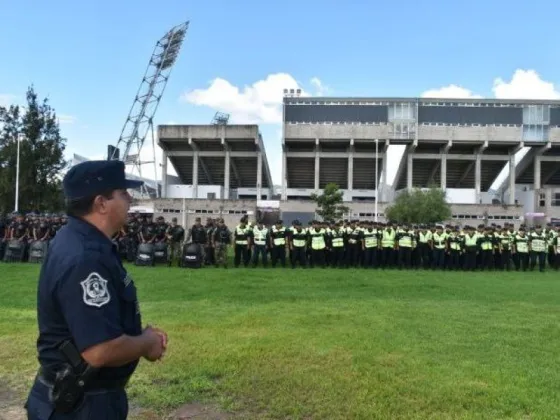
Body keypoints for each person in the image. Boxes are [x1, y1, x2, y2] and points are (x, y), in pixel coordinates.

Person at [24, 160, 168, 420]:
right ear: (101, 203)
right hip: (82, 406)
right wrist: (147, 343)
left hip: (79, 398)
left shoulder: (78, 240)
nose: (130, 200)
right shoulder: (86, 256)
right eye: (123, 193)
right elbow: (99, 351)